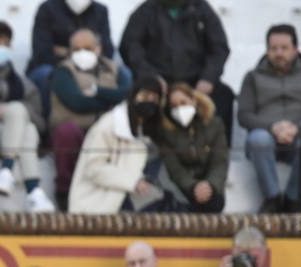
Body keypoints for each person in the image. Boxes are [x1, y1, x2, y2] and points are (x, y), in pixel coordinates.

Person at [239, 24, 301, 215]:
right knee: (258, 139)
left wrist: (296, 128)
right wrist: (273, 128)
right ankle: (272, 199)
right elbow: (244, 115)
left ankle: (294, 200)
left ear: (296, 49)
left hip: (297, 139)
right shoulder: (252, 77)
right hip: (265, 140)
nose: (279, 53)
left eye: (284, 48)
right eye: (273, 48)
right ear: (267, 50)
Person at [119, 0, 232, 144]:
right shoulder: (146, 11)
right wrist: (150, 76)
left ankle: (219, 152)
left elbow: (219, 48)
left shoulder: (201, 9)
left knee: (224, 96)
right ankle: (149, 153)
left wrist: (208, 78)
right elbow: (130, 46)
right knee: (142, 98)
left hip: (195, 82)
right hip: (160, 82)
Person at [0, 21, 54, 211]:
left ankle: (11, 176)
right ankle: (31, 189)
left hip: (14, 135)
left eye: (5, 44)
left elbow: (41, 123)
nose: (1, 48)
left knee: (26, 123)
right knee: (20, 116)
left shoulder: (23, 84)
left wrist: (15, 113)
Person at [50, 27, 129, 211]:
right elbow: (77, 103)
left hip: (105, 132)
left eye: (87, 47)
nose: (82, 53)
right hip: (77, 130)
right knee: (66, 132)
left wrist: (97, 92)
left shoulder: (115, 69)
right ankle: (65, 192)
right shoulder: (63, 71)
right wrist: (110, 99)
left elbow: (127, 95)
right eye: (76, 49)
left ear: (98, 49)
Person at [68, 77, 164, 214]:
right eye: (145, 95)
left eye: (155, 98)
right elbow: (93, 168)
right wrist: (133, 181)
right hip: (100, 201)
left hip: (136, 196)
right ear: (134, 95)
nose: (149, 101)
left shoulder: (148, 128)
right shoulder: (109, 125)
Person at [157, 83, 226, 214]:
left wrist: (210, 185)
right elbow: (174, 169)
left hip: (211, 184)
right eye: (174, 106)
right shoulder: (165, 131)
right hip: (185, 185)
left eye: (183, 102)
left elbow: (220, 161)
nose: (179, 108)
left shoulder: (214, 124)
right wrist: (193, 186)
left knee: (214, 204)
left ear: (193, 101)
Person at [26, 0, 115, 100]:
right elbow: (42, 52)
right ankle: (49, 114)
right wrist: (80, 55)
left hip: (92, 68)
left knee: (117, 74)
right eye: (76, 49)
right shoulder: (47, 8)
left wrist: (66, 51)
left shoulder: (100, 11)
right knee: (47, 74)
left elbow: (107, 51)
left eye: (87, 48)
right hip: (55, 66)